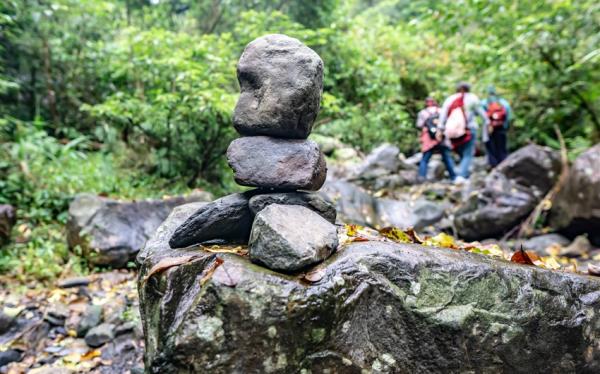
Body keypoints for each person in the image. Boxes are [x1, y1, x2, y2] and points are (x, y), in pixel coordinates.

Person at [438, 82, 489, 182]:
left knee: (459, 151)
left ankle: (457, 175)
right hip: (469, 129)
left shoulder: (450, 99)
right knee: (468, 153)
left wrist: (440, 129)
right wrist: (487, 123)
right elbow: (482, 114)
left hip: (452, 132)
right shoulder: (473, 98)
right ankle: (461, 175)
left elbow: (443, 115)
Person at [415, 97, 456, 182]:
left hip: (429, 139)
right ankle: (454, 176)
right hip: (441, 137)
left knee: (425, 159)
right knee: (447, 157)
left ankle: (422, 177)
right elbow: (448, 123)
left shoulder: (423, 113)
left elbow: (419, 125)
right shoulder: (441, 111)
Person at [482, 85, 512, 167]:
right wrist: (506, 126)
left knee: (491, 148)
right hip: (501, 128)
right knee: (501, 147)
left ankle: (493, 165)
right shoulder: (503, 103)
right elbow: (509, 117)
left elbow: (481, 115)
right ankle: (503, 164)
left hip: (489, 129)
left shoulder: (484, 103)